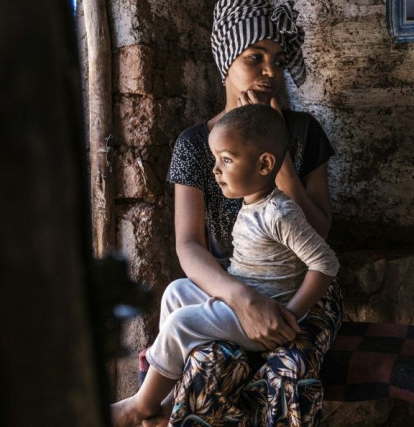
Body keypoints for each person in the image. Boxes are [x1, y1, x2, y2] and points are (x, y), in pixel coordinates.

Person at [128, 0, 342, 426]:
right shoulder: (194, 145)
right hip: (229, 287)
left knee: (292, 371)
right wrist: (241, 298)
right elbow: (189, 247)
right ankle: (151, 410)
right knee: (209, 366)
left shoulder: (304, 133)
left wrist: (279, 160)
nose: (270, 71)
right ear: (227, 62)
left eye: (277, 60)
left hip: (300, 292)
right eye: (254, 58)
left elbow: (319, 234)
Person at [111, 104, 340, 426]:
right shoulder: (252, 204)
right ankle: (169, 399)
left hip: (271, 309)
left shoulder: (279, 213)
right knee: (176, 292)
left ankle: (141, 404)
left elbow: (326, 263)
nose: (216, 170)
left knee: (182, 324)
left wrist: (292, 314)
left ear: (264, 164)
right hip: (245, 291)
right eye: (215, 160)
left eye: (227, 160)